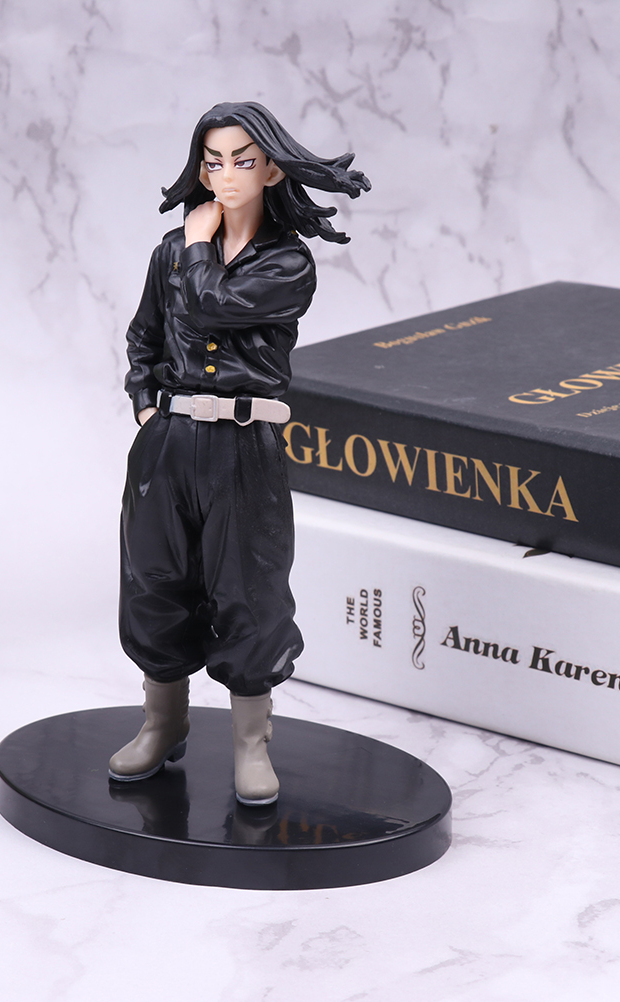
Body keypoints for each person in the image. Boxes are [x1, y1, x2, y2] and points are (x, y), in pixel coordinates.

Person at [109, 102, 370, 805]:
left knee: (250, 588)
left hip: (245, 447)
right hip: (169, 443)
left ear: (272, 169)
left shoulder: (287, 261)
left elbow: (211, 304)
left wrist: (199, 244)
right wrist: (146, 406)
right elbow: (145, 335)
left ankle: (252, 741)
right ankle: (162, 721)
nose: (225, 175)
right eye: (213, 161)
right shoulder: (170, 252)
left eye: (242, 160)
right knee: (154, 579)